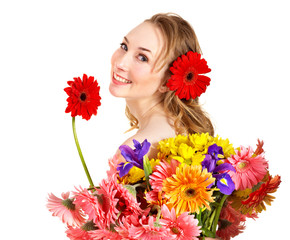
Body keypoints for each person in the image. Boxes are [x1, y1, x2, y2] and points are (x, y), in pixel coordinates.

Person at [109, 13, 220, 240]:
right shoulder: (183, 131)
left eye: (142, 58)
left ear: (168, 81)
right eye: (124, 46)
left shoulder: (135, 150)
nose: (120, 62)